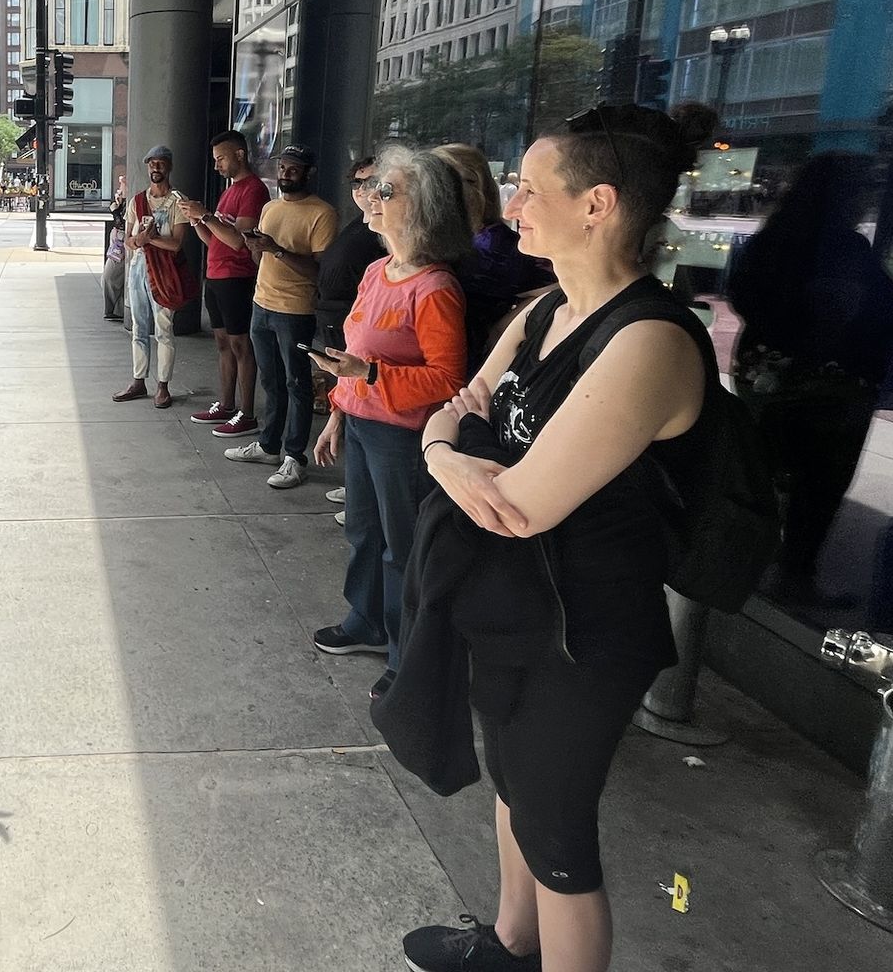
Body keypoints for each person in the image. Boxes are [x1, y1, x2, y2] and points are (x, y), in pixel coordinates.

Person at [390, 103, 719, 972]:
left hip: (587, 628)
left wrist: (452, 455)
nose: (512, 208)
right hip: (518, 602)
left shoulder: (648, 340)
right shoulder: (544, 311)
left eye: (531, 190)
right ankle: (506, 944)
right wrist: (448, 456)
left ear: (597, 204)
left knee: (557, 828)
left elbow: (523, 505)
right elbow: (452, 414)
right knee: (511, 785)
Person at [308, 146, 469, 688]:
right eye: (372, 188)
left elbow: (449, 381)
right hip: (362, 425)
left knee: (401, 548)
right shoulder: (378, 270)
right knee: (362, 533)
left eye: (385, 191)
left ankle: (406, 656)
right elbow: (352, 359)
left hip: (401, 438)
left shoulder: (435, 287)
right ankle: (366, 620)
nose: (369, 199)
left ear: (421, 207)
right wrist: (337, 413)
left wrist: (370, 375)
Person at [725, 153, 893, 607]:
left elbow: (744, 295)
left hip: (768, 379)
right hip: (832, 386)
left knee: (763, 473)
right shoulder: (843, 247)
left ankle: (742, 566)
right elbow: (886, 296)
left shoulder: (771, 240)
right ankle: (793, 575)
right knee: (819, 484)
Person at [224, 143, 339, 489]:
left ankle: (295, 457)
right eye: (282, 167)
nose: (285, 174)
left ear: (308, 173)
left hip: (296, 310)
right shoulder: (270, 207)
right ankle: (269, 445)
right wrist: (257, 248)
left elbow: (320, 271)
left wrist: (276, 249)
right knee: (271, 382)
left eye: (293, 168)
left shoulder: (322, 214)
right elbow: (262, 261)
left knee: (297, 384)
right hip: (262, 303)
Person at [182, 130, 271, 437]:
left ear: (240, 155)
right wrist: (197, 221)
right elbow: (214, 238)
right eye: (215, 159)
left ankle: (247, 413)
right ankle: (226, 404)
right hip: (217, 275)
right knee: (223, 343)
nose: (217, 165)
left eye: (221, 158)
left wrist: (205, 215)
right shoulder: (229, 191)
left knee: (240, 344)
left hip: (237, 277)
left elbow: (239, 242)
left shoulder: (254, 190)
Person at [314, 156, 390, 516]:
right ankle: (357, 488)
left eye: (376, 184)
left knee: (364, 401)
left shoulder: (380, 240)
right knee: (350, 398)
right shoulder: (360, 228)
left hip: (360, 334)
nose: (366, 192)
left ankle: (364, 493)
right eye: (358, 184)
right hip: (342, 321)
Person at [436, 142, 557, 362]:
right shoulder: (469, 238)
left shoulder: (493, 245)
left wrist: (507, 327)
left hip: (470, 360)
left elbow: (557, 288)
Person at [112, 146, 191, 409]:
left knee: (164, 330)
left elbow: (177, 243)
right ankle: (138, 380)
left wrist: (151, 239)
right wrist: (140, 240)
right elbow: (129, 240)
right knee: (138, 328)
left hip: (165, 272)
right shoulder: (137, 201)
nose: (156, 168)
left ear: (169, 167)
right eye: (151, 164)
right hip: (138, 271)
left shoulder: (178, 202)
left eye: (160, 163)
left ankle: (163, 385)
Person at [103, 176, 128, 321]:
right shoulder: (123, 202)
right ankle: (116, 310)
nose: (120, 186)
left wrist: (115, 211)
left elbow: (124, 222)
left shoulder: (133, 202)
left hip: (123, 240)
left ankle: (114, 309)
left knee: (110, 276)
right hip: (118, 240)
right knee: (111, 276)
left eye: (123, 183)